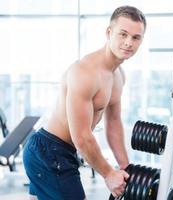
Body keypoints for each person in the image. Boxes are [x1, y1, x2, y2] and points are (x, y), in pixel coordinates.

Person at [23, 5, 146, 200]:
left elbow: (113, 123)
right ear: (109, 32)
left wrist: (124, 167)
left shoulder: (118, 76)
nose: (128, 43)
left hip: (62, 151)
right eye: (123, 34)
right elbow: (81, 137)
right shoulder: (85, 72)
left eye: (135, 37)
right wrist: (108, 173)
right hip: (49, 150)